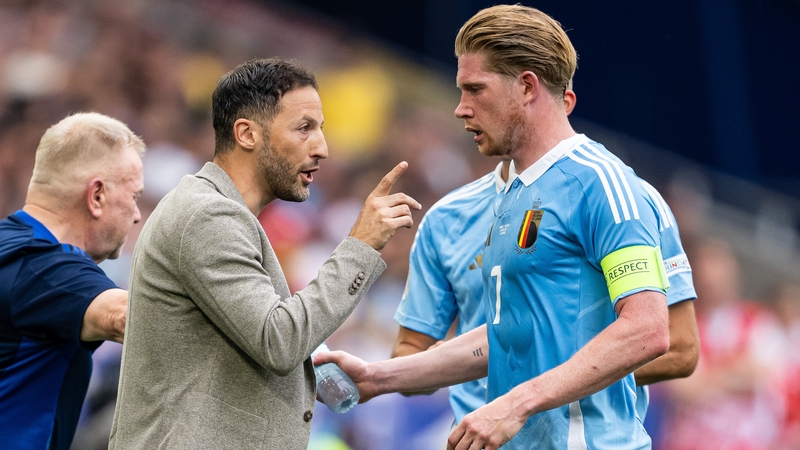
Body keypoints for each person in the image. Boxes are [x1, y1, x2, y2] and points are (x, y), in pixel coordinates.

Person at [316, 5, 673, 449]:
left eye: (475, 89)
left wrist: (515, 404)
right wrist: (378, 377)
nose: (460, 109)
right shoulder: (512, 194)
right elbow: (511, 333)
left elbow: (648, 330)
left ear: (526, 87)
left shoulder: (601, 183)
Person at [108, 58, 421, 450]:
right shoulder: (208, 214)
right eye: (304, 128)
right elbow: (279, 340)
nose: (322, 148)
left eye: (320, 130)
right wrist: (361, 246)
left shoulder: (224, 214)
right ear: (247, 134)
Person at [391, 86, 698, 426]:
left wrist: (536, 386)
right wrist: (458, 361)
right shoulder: (446, 218)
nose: (462, 109)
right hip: (478, 435)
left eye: (476, 90)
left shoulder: (626, 197)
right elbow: (409, 353)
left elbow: (679, 348)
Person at [0, 112, 144, 450]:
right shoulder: (43, 267)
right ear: (96, 196)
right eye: (134, 196)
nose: (137, 215)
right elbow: (125, 317)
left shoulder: (10, 245)